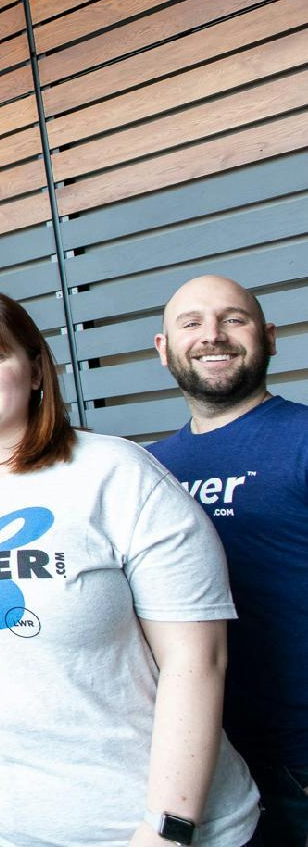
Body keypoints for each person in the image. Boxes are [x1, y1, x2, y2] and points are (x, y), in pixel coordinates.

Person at [0, 288, 259, 847]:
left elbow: (197, 660)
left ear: (36, 370)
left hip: (138, 829)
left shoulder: (117, 473)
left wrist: (168, 827)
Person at [149, 275, 308, 845]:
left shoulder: (304, 437)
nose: (211, 335)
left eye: (233, 319)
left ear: (268, 337)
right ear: (164, 350)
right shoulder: (147, 470)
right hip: (210, 767)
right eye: (190, 323)